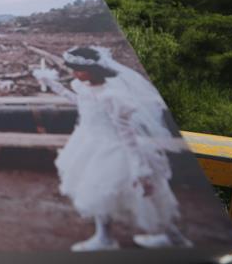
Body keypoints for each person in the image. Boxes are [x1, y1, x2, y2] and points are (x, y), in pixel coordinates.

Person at [33, 46, 191, 252]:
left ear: (93, 70)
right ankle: (105, 237)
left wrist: (139, 167)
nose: (73, 73)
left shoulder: (112, 96)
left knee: (143, 197)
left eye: (77, 69)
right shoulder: (85, 87)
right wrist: (53, 85)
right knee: (98, 192)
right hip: (90, 143)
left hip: (114, 148)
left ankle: (173, 237)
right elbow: (81, 103)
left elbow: (127, 134)